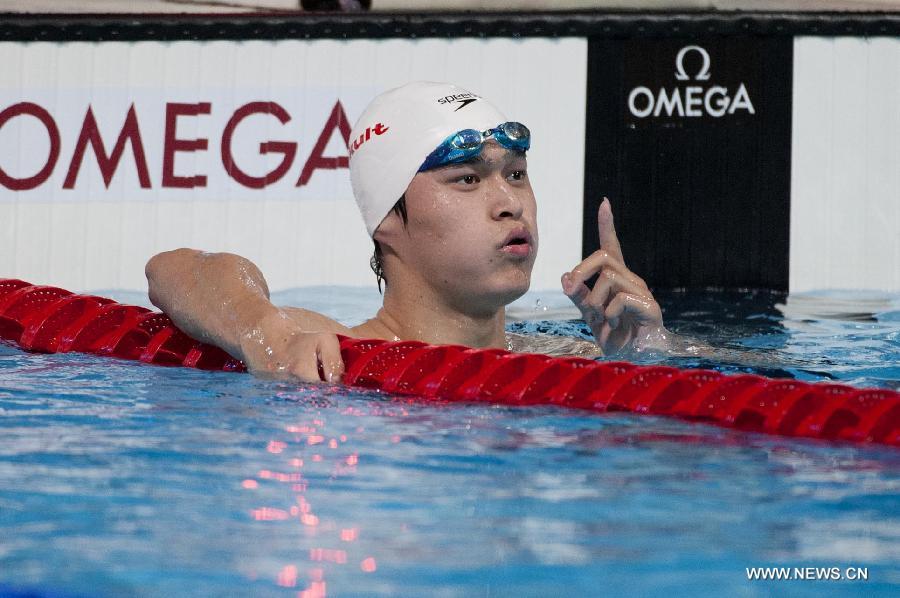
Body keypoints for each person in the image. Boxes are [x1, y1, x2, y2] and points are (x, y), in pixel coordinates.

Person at [146, 82, 669, 383]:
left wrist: (648, 355)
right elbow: (177, 268)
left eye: (516, 174)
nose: (510, 204)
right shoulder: (334, 352)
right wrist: (264, 332)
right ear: (389, 219)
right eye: (467, 179)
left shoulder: (568, 358)